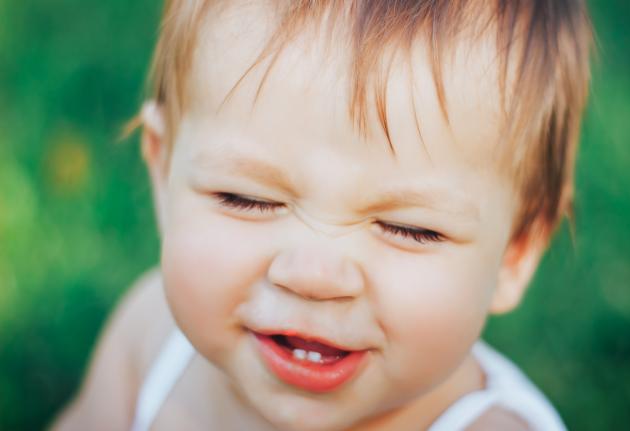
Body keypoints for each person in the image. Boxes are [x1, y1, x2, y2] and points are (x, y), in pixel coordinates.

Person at [52, 1, 592, 429]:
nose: (314, 275)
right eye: (247, 198)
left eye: (411, 229)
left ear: (515, 252)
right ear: (164, 173)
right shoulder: (148, 339)